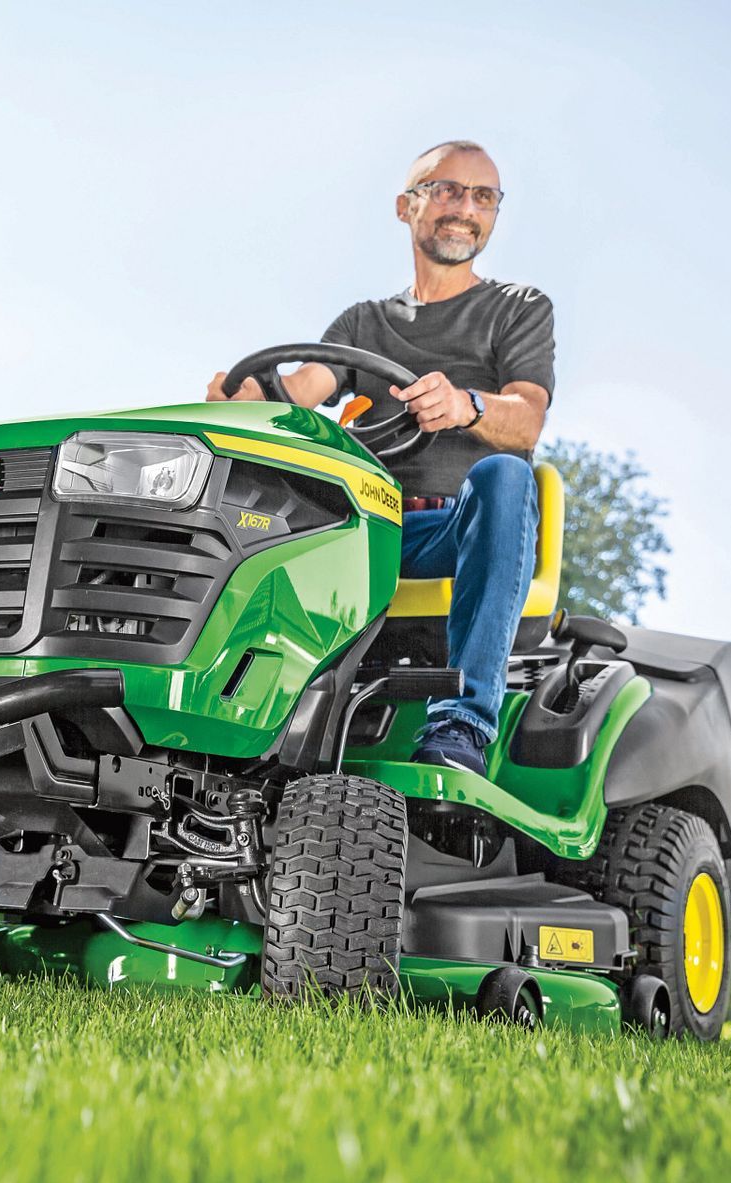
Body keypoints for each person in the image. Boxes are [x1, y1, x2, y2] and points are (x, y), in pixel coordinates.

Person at [205, 140, 554, 777]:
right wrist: (251, 399)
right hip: (370, 529)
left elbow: (526, 415)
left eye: (483, 196)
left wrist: (466, 404)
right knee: (248, 503)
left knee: (505, 474)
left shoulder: (517, 308)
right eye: (446, 189)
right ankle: (224, 722)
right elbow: (302, 393)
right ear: (406, 206)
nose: (464, 208)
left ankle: (463, 722)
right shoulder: (363, 322)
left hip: (457, 529)